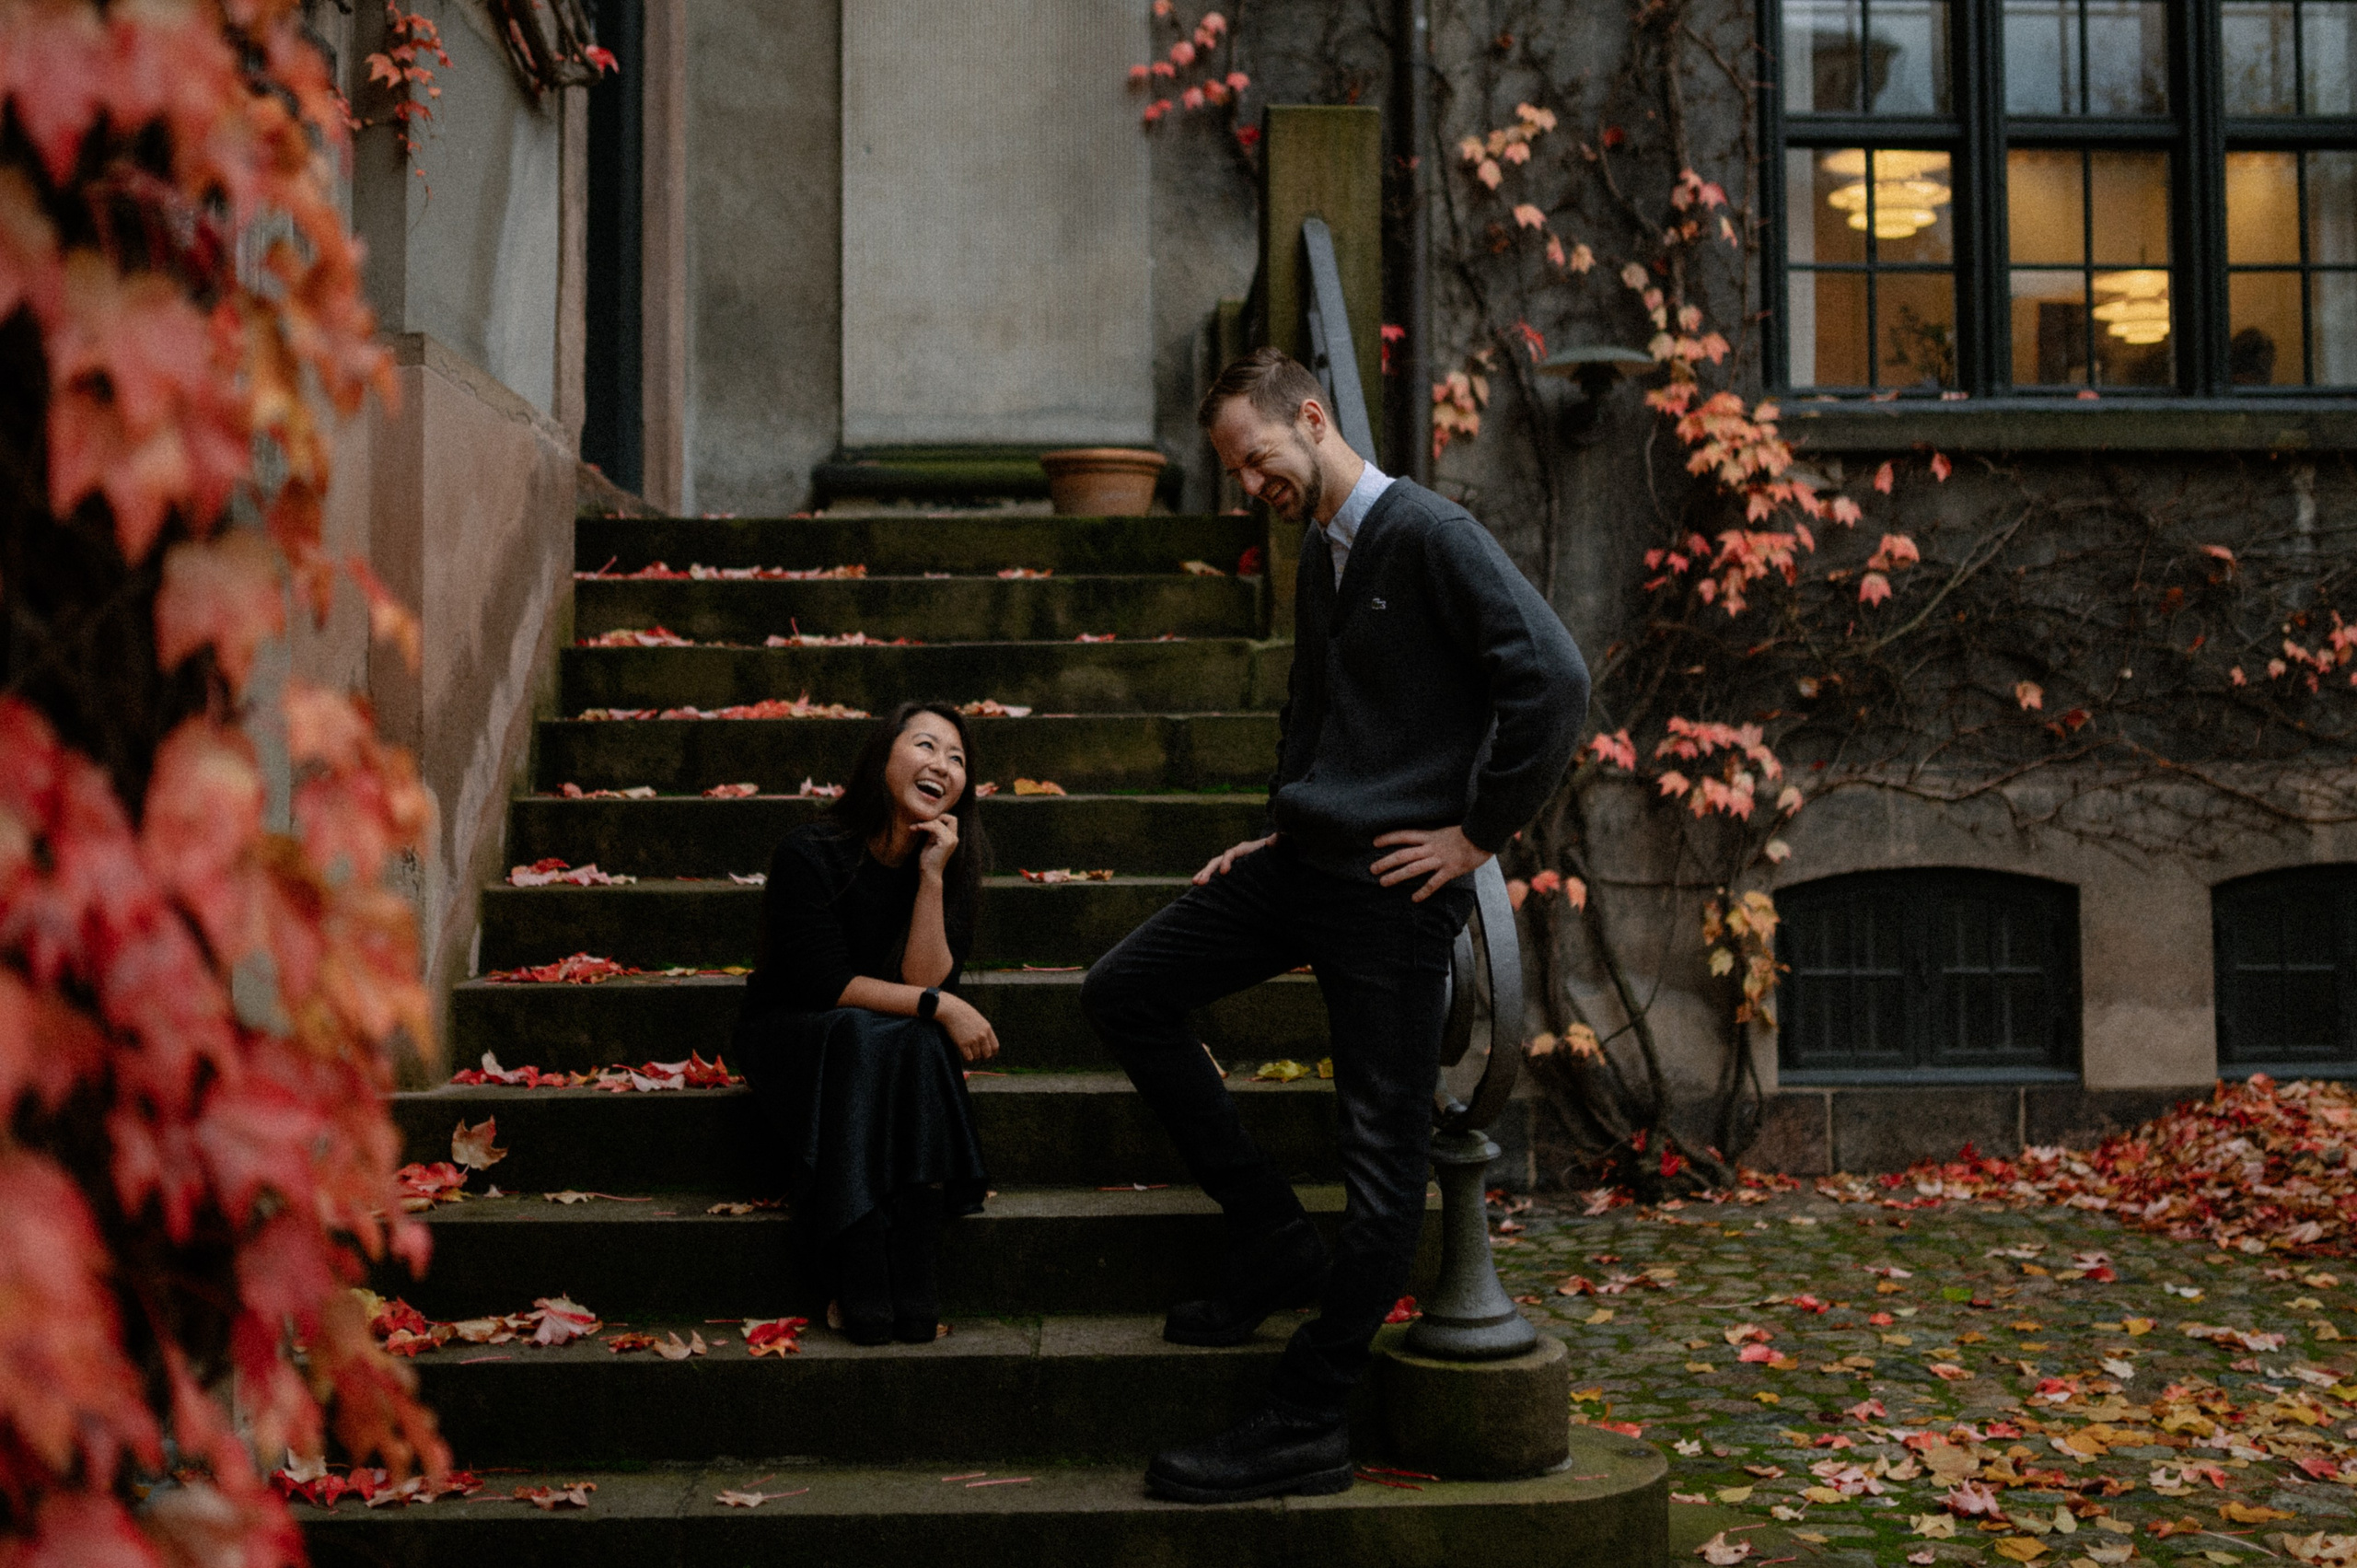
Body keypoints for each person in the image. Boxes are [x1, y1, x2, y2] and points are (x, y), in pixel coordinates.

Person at [1081, 346, 1589, 1504]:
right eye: (1229, 468)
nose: (1244, 484)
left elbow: (1552, 681)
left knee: (1383, 1174)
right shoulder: (1323, 550)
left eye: (1251, 458)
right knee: (1124, 989)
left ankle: (1308, 1420)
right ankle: (1268, 1234)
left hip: (1395, 898)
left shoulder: (1431, 534)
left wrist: (1474, 836)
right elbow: (1315, 713)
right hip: (1303, 862)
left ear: (1309, 419)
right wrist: (1277, 827)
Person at [733, 702, 999, 1345]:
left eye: (957, 758)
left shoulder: (948, 862)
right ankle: (859, 1262)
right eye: (927, 745)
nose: (942, 764)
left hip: (882, 1046)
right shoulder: (809, 851)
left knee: (910, 1034)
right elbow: (828, 985)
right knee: (873, 1028)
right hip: (792, 1036)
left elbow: (923, 982)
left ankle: (911, 1261)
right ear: (883, 759)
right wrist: (944, 1006)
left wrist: (931, 880)